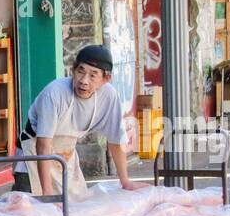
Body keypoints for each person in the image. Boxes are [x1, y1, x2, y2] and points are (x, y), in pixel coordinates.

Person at [13, 44, 143, 199]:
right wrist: (47, 193)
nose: (84, 81)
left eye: (93, 75)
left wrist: (125, 181)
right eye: (80, 71)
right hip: (34, 156)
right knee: (29, 211)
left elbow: (116, 139)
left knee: (76, 209)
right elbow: (43, 144)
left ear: (106, 79)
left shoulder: (109, 96)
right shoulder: (55, 93)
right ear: (73, 70)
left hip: (65, 156)